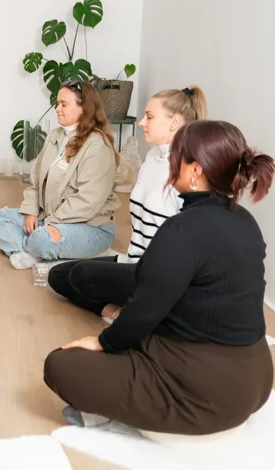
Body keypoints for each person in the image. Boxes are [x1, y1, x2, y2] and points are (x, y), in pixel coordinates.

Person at [44, 120, 274, 435]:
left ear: (195, 171)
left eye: (176, 157)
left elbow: (144, 312)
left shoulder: (181, 231)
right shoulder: (246, 222)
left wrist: (102, 342)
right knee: (82, 280)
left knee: (60, 364)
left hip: (207, 393)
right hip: (257, 378)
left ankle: (124, 409)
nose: (170, 163)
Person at [49, 86, 209, 320]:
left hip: (159, 277)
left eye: (150, 117)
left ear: (174, 123)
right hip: (133, 263)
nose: (142, 122)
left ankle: (151, 310)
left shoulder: (190, 172)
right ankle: (116, 312)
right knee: (60, 274)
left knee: (83, 275)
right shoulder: (152, 159)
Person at [0, 81, 120, 269]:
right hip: (48, 217)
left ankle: (28, 250)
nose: (57, 109)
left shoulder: (98, 147)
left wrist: (47, 223)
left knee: (41, 238)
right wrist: (31, 212)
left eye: (64, 104)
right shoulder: (55, 136)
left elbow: (87, 202)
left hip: (91, 227)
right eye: (58, 103)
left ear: (84, 108)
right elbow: (36, 182)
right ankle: (32, 253)